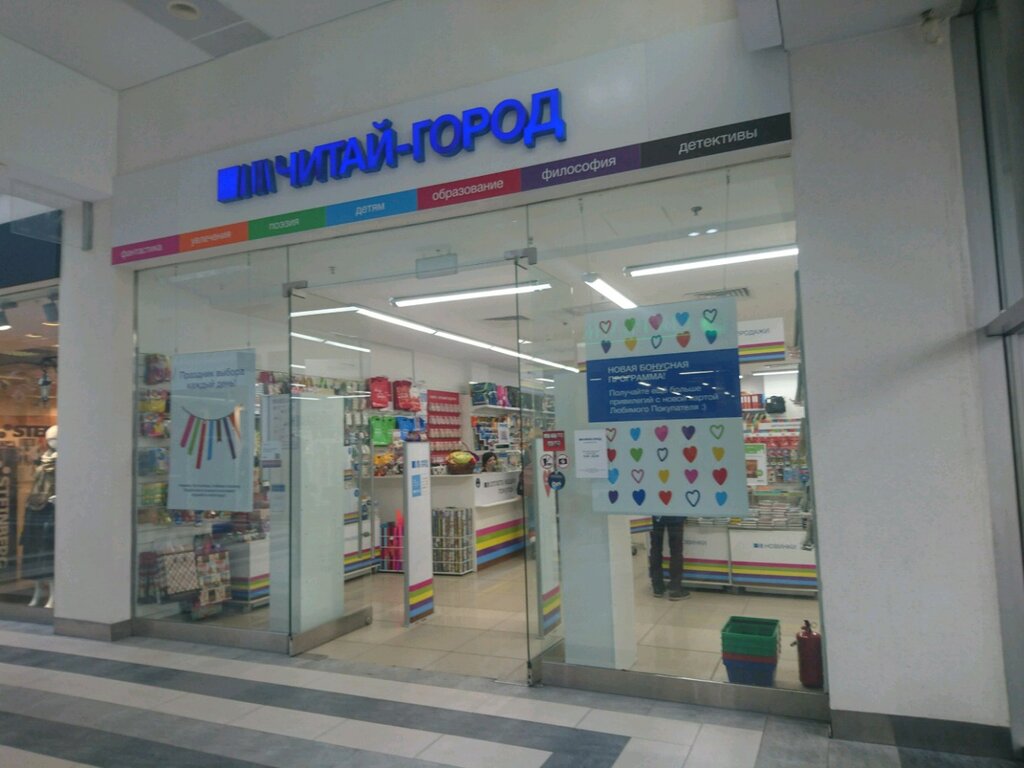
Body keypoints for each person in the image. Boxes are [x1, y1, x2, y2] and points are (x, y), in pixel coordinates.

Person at [21, 425, 57, 609]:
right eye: (51, 439)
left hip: (52, 509)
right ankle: (38, 590)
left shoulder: (65, 460)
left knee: (48, 550)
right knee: (35, 551)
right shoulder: (42, 459)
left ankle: (53, 594)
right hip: (36, 507)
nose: (53, 442)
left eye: (56, 438)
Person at [649, 514, 689, 600]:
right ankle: (675, 589)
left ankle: (657, 587)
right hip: (675, 515)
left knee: (655, 549)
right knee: (676, 551)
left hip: (656, 515)